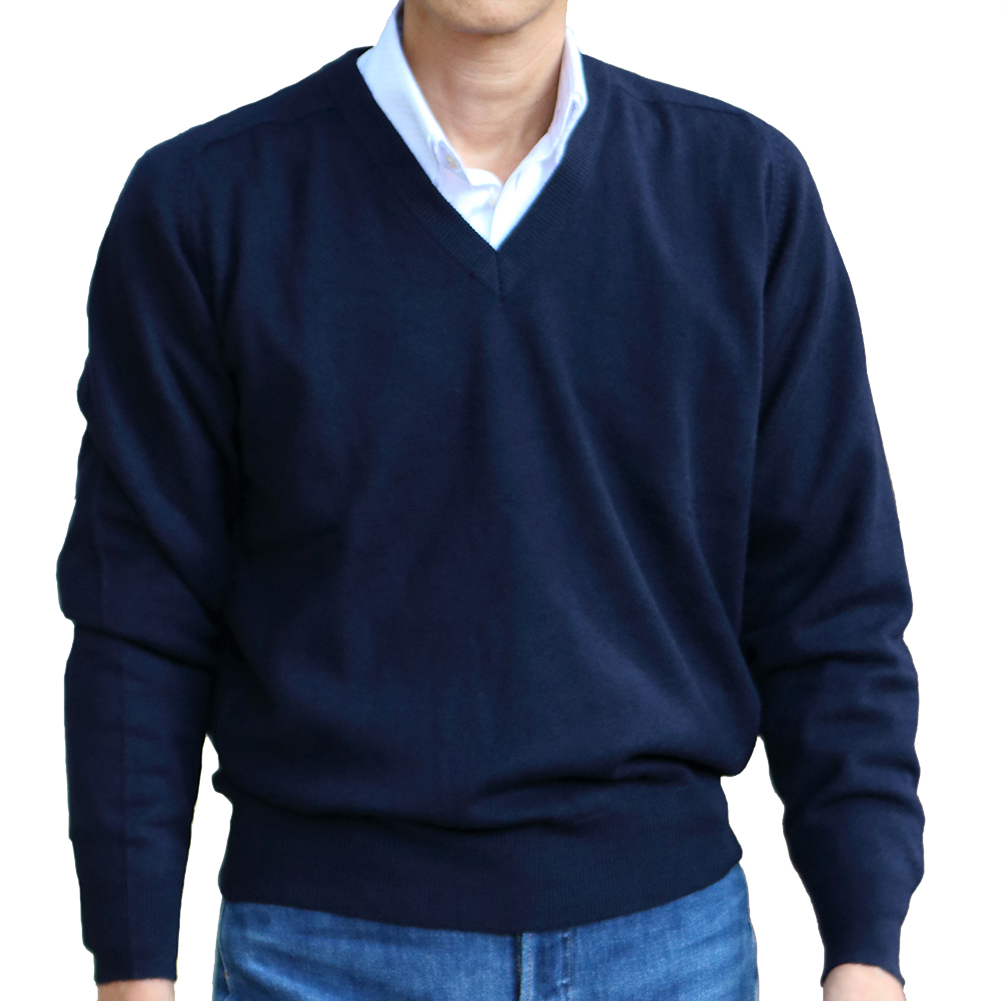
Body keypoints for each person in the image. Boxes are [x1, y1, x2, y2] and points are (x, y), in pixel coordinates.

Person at [57, 0, 924, 998]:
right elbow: (138, 621)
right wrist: (132, 967)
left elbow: (830, 599)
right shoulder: (204, 204)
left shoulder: (742, 191)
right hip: (319, 956)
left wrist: (864, 944)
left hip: (667, 950)